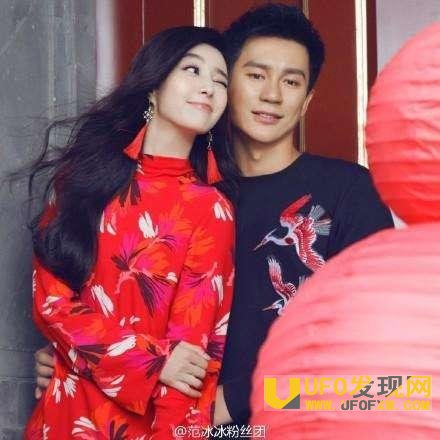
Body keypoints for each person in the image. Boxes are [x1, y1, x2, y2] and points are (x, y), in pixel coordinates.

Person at [34, 3, 394, 434]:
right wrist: (84, 356)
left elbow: (368, 348)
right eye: (255, 75)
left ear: (307, 99)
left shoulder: (349, 192)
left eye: (291, 81)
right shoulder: (182, 194)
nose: (272, 95)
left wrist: (233, 403)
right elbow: (106, 302)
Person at [25, 26, 236, 439]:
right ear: (153, 87)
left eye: (221, 80)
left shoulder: (211, 210)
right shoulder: (83, 181)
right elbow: (51, 303)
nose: (208, 87)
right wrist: (151, 360)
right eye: (192, 69)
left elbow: (191, 362)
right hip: (62, 415)